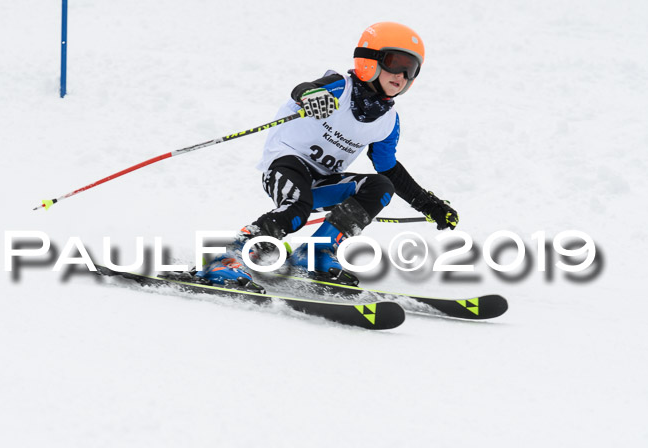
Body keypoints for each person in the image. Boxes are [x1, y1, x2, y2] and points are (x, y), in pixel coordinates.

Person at [195, 21, 458, 289]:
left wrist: (428, 205)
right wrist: (311, 96)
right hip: (285, 166)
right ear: (370, 60)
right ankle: (227, 257)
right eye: (394, 62)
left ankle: (315, 252)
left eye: (410, 68)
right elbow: (303, 89)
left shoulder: (388, 121)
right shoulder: (340, 88)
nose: (401, 74)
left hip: (321, 182)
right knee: (298, 206)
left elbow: (388, 168)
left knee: (380, 186)